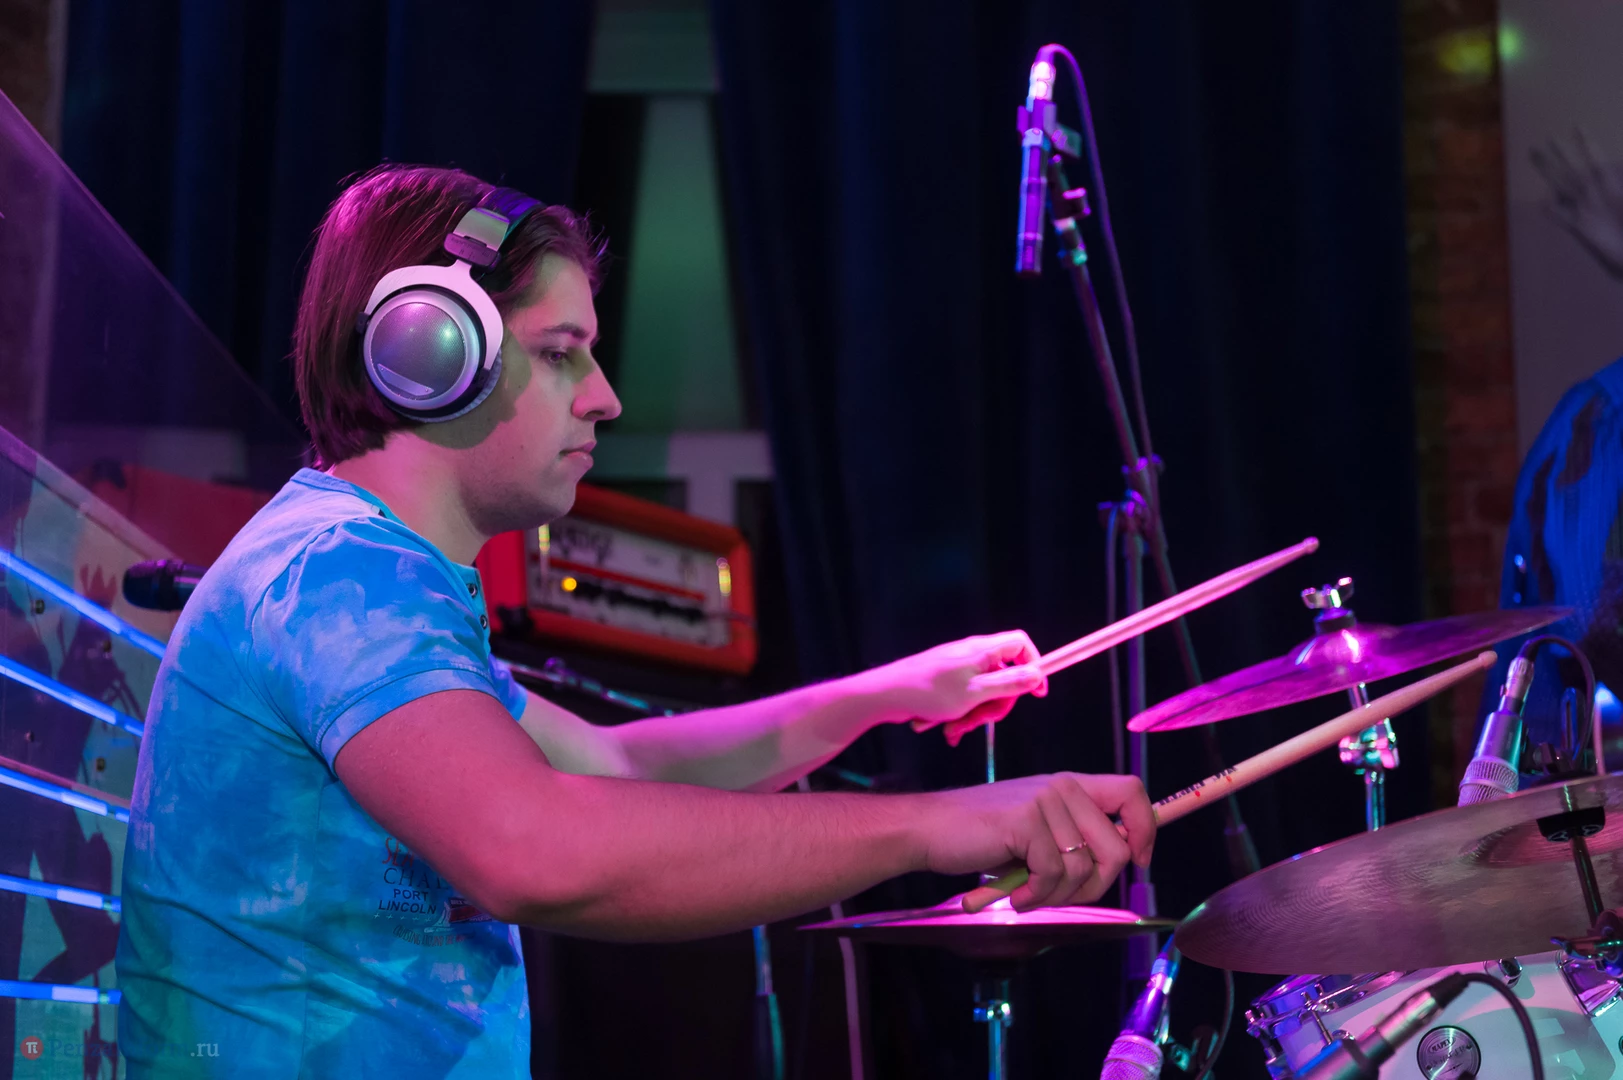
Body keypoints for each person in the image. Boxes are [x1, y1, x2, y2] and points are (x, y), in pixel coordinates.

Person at [113, 164, 1156, 1079]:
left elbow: (614, 767)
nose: (604, 397)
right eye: (561, 352)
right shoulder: (339, 577)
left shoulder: (363, 572)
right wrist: (933, 827)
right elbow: (532, 846)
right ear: (430, 354)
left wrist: (878, 697)